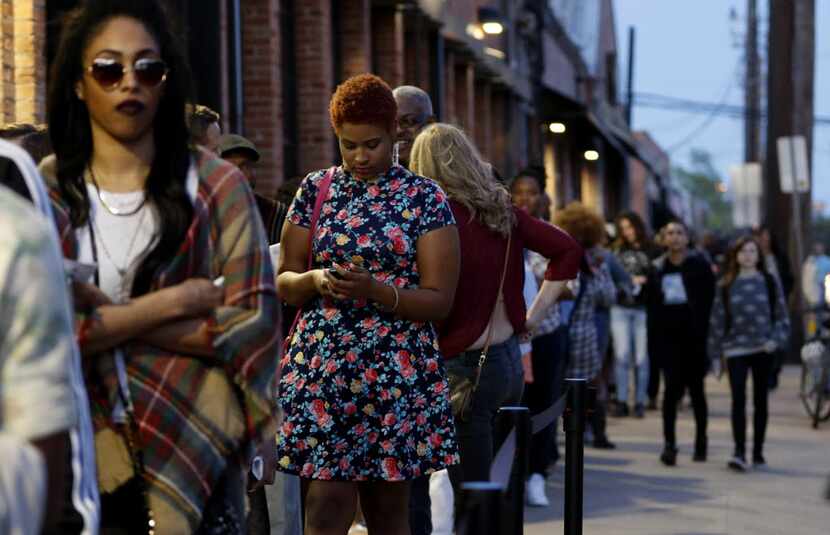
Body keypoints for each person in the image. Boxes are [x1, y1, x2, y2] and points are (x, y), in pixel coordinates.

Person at [45, 1, 280, 531]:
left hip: (193, 444)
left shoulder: (217, 186)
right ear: (79, 84)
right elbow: (40, 330)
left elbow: (254, 327)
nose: (130, 82)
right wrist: (174, 302)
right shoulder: (51, 187)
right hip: (79, 450)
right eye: (109, 69)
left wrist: (108, 321)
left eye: (148, 68)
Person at [276, 74, 460, 535]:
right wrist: (317, 279)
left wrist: (375, 291)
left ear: (395, 132)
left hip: (395, 372)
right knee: (325, 504)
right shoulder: (316, 189)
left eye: (372, 144)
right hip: (324, 370)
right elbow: (284, 282)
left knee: (388, 511)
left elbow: (440, 300)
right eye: (348, 145)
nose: (360, 156)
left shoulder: (424, 198)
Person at [409, 123, 582, 496]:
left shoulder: (438, 216)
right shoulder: (502, 211)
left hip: (465, 370)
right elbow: (568, 250)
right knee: (499, 487)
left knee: (470, 495)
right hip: (507, 362)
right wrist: (531, 319)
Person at [392, 84, 439, 535]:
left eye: (412, 122)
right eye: (396, 121)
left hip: (436, 347)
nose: (403, 132)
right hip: (383, 353)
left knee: (421, 481)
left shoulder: (440, 189)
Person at [509, 170, 567, 507]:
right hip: (512, 337)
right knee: (516, 406)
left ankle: (537, 475)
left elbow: (572, 282)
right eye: (518, 192)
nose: (524, 199)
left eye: (531, 193)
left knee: (544, 405)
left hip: (545, 333)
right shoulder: (505, 231)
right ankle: (515, 473)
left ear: (543, 197)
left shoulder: (551, 234)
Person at [707, 236, 789, 471]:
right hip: (735, 350)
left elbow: (782, 316)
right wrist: (714, 353)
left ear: (758, 256)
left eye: (752, 251)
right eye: (742, 251)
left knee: (760, 401)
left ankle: (758, 452)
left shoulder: (770, 282)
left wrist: (776, 340)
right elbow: (717, 321)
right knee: (738, 401)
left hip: (764, 348)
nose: (747, 255)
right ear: (735, 256)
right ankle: (739, 451)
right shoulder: (725, 284)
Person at [646, 220, 716, 466]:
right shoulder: (657, 268)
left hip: (694, 339)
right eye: (670, 233)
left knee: (697, 392)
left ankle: (701, 441)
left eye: (679, 233)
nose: (674, 237)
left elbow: (710, 302)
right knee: (670, 393)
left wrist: (708, 337)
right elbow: (652, 306)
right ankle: (669, 444)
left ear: (687, 238)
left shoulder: (700, 266)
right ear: (664, 239)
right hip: (668, 339)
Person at [553, 203, 617, 451]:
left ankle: (592, 430)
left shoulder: (594, 263)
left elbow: (608, 297)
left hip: (581, 334)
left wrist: (598, 271)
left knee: (586, 384)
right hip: (568, 331)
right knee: (572, 385)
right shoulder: (564, 259)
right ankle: (579, 431)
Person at [611, 211, 656, 417]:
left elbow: (658, 278)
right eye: (623, 228)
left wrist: (646, 281)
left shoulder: (651, 249)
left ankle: (639, 401)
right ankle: (621, 400)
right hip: (620, 307)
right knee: (622, 356)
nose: (627, 232)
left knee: (641, 358)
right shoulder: (617, 249)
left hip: (643, 308)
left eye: (630, 227)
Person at [218, 133, 288, 245]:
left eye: (248, 166)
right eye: (232, 168)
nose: (245, 175)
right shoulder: (202, 214)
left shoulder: (274, 213)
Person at [392, 85, 435, 169]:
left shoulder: (445, 174)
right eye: (391, 123)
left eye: (408, 121)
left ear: (430, 123)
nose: (398, 130)